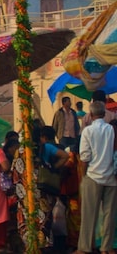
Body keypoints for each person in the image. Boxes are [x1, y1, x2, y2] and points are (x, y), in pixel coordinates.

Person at [75, 101, 116, 254]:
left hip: (93, 175)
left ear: (91, 115)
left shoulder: (87, 131)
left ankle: (84, 247)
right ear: (104, 114)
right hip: (111, 176)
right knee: (109, 215)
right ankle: (106, 247)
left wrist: (83, 176)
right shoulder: (112, 130)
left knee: (88, 214)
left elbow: (85, 157)